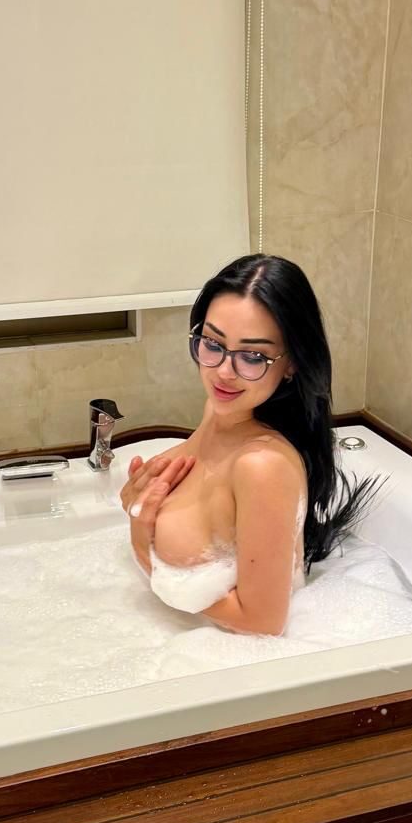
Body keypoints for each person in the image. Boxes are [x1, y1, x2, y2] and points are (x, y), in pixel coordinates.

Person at [119, 254, 378, 634]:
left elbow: (262, 622)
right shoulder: (219, 412)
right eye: (213, 343)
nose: (224, 372)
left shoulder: (262, 466)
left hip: (227, 655)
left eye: (253, 356)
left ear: (292, 363)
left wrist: (145, 551)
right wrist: (135, 502)